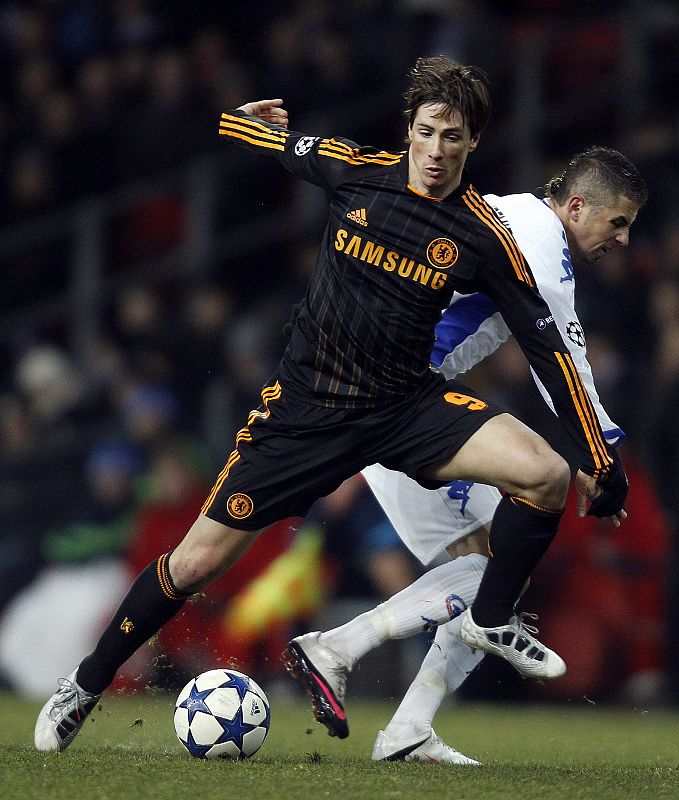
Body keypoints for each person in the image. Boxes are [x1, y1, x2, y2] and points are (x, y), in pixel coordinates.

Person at [35, 55, 628, 753]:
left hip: (405, 407)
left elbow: (547, 348)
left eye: (453, 137)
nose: (437, 151)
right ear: (408, 128)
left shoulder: (483, 237)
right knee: (194, 564)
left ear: (472, 145)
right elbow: (277, 146)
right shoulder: (354, 170)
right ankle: (84, 684)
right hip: (306, 413)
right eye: (429, 131)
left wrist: (597, 458)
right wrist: (237, 118)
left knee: (545, 475)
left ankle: (490, 617)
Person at [283, 146, 647, 763]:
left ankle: (407, 730)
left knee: (500, 565)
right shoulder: (540, 248)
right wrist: (603, 457)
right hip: (402, 412)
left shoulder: (509, 215)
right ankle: (337, 648)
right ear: (577, 205)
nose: (625, 238)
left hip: (403, 403)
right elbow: (562, 363)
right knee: (497, 569)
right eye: (618, 222)